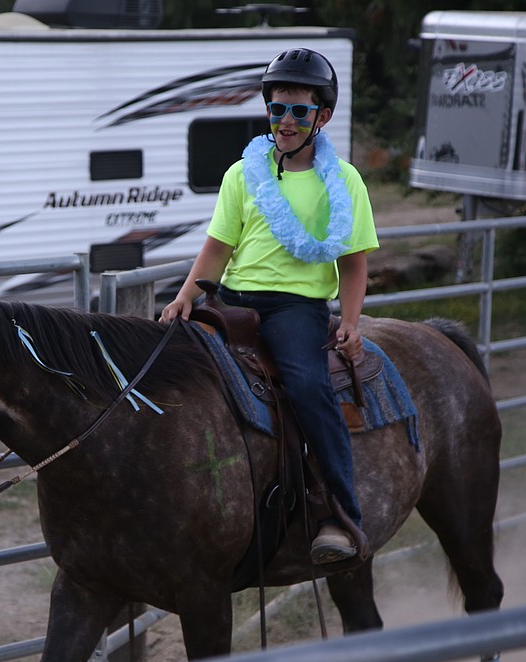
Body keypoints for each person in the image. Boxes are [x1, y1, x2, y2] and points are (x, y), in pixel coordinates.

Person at [160, 48, 378, 565]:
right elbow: (219, 246)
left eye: (299, 111)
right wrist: (186, 295)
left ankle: (340, 514)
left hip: (295, 308)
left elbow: (353, 262)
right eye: (277, 108)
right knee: (163, 362)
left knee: (307, 384)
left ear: (321, 117)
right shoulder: (243, 173)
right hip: (232, 299)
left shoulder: (344, 182)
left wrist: (349, 321)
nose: (286, 120)